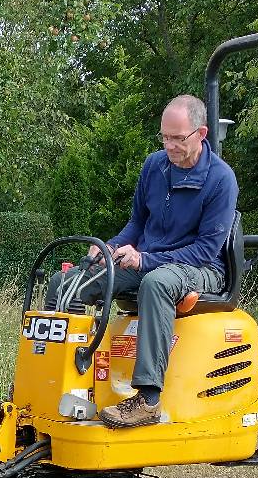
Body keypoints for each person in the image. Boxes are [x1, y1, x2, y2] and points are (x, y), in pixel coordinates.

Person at [46, 94, 238, 427]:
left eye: (178, 138)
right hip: (147, 260)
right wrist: (110, 247)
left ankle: (148, 399)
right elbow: (137, 223)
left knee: (157, 283)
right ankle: (53, 379)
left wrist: (144, 259)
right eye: (165, 137)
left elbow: (206, 250)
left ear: (201, 133)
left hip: (201, 269)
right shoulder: (154, 166)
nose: (170, 145)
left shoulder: (221, 180)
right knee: (67, 283)